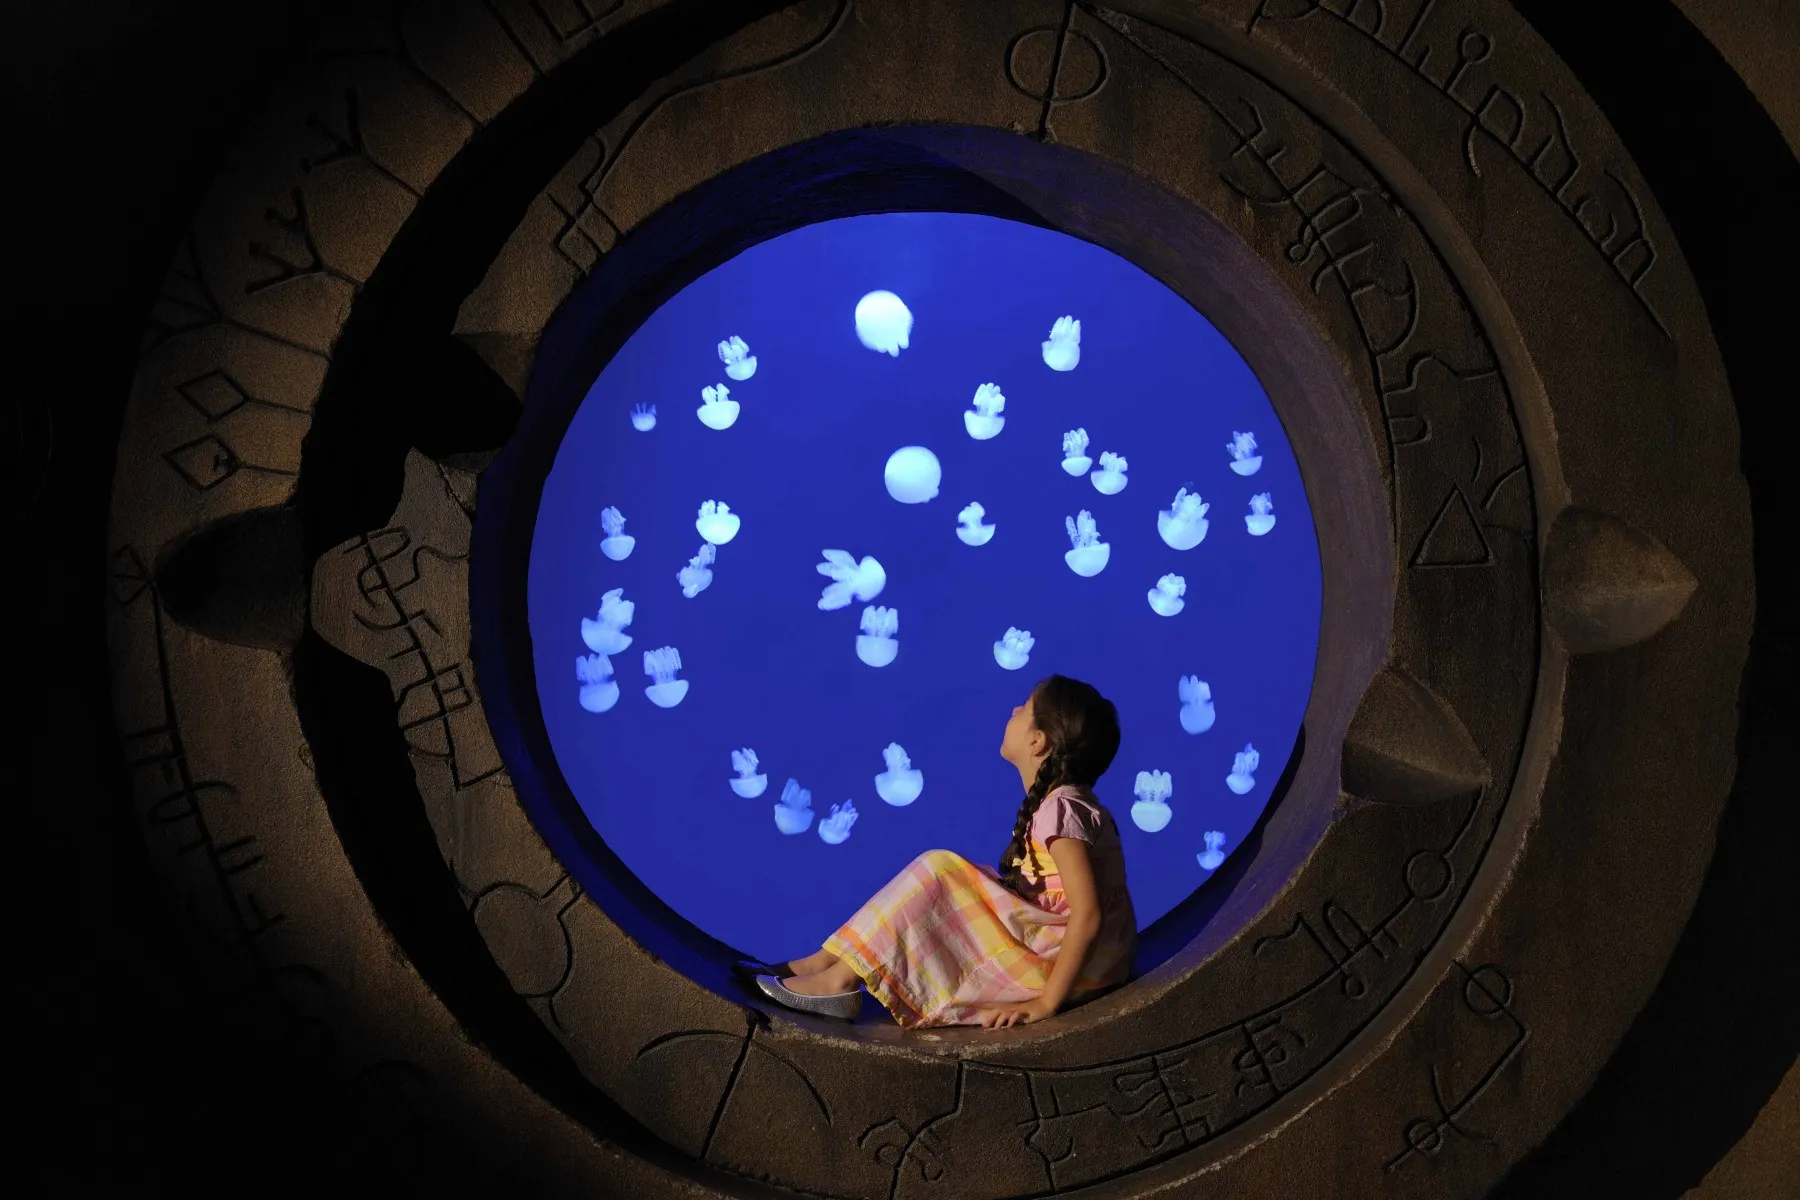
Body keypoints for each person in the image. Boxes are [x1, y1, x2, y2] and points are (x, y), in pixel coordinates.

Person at [739, 674, 1138, 1028]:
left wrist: (1046, 1003)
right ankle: (824, 963)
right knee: (945, 870)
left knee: (941, 869)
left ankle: (837, 980)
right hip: (1068, 961)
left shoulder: (1062, 807)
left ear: (1039, 740)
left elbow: (1087, 914)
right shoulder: (1063, 805)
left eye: (1025, 707)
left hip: (1067, 970)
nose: (1014, 710)